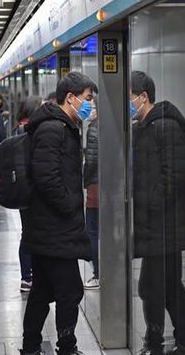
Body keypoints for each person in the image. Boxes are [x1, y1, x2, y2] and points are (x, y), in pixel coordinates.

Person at [19, 72, 96, 355]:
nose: (90, 104)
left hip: (49, 228)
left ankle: (30, 347)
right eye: (87, 98)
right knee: (70, 291)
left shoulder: (61, 126)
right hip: (54, 228)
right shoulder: (53, 129)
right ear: (70, 98)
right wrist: (69, 207)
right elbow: (46, 177)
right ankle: (67, 348)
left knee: (42, 291)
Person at [130, 71, 185, 355]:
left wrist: (149, 203)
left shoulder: (166, 127)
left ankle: (160, 342)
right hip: (154, 225)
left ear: (143, 96)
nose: (128, 105)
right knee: (164, 286)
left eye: (130, 98)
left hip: (165, 224)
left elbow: (174, 178)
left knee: (156, 287)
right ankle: (180, 343)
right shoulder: (143, 127)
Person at [15, 95, 43, 293]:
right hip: (34, 190)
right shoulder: (33, 130)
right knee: (36, 233)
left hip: (21, 190)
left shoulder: (18, 127)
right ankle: (32, 275)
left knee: (27, 233)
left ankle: (27, 277)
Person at [83, 98, 100, 289]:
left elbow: (91, 161)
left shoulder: (94, 128)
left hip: (96, 187)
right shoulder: (119, 125)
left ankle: (98, 275)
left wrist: (85, 181)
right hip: (114, 188)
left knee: (93, 232)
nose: (90, 109)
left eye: (93, 106)